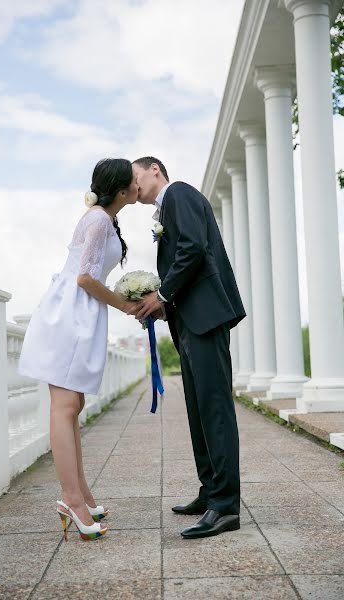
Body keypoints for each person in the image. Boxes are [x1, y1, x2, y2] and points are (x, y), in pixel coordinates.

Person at [18, 158, 142, 541]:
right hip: (70, 313)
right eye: (134, 181)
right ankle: (71, 498)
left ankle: (81, 494)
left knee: (73, 405)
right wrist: (125, 303)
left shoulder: (106, 219)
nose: (139, 185)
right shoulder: (99, 220)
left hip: (81, 312)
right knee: (65, 405)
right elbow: (86, 276)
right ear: (122, 191)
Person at [133, 157, 246, 539]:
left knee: (215, 411)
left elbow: (193, 248)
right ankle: (210, 491)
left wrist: (162, 295)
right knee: (199, 412)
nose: (133, 187)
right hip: (189, 321)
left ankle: (226, 506)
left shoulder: (178, 192)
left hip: (206, 318)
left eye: (135, 176)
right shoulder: (165, 208)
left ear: (154, 170)